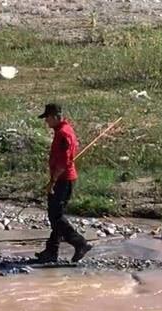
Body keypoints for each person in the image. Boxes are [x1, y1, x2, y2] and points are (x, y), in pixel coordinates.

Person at [35, 103, 92, 263]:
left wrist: (52, 181)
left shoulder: (63, 134)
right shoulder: (62, 130)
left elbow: (63, 162)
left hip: (63, 179)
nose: (46, 121)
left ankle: (80, 243)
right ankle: (51, 252)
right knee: (55, 215)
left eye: (47, 118)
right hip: (62, 178)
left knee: (56, 216)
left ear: (54, 117)